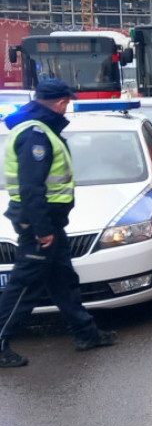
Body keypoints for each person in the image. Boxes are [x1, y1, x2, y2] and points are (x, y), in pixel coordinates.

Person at [0, 78, 116, 368]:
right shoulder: (36, 135)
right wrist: (42, 230)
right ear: (61, 102)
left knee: (63, 280)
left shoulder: (40, 130)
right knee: (25, 285)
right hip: (40, 223)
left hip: (49, 222)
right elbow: (31, 188)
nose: (67, 108)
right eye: (67, 103)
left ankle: (86, 333)